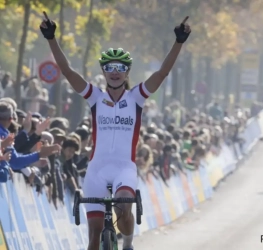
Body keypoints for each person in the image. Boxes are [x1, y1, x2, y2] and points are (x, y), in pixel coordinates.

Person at [40, 12, 191, 250]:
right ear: (104, 71)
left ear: (127, 72)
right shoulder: (95, 97)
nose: (115, 71)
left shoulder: (136, 97)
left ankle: (128, 242)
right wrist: (51, 38)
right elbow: (68, 72)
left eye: (120, 67)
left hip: (124, 167)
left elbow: (161, 73)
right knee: (94, 236)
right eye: (110, 67)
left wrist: (178, 43)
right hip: (97, 169)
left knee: (123, 205)